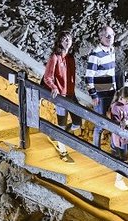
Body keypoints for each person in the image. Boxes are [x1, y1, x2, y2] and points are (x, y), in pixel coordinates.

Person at [42, 28, 81, 163]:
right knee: (62, 123)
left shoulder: (70, 58)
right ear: (59, 41)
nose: (67, 41)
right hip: (61, 96)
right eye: (65, 39)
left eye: (69, 39)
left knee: (77, 122)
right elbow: (48, 76)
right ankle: (63, 152)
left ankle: (59, 136)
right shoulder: (55, 57)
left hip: (71, 94)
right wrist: (54, 87)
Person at [85, 25, 120, 149]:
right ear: (100, 37)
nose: (110, 38)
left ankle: (114, 148)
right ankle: (96, 149)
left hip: (112, 93)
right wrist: (93, 94)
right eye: (107, 36)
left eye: (112, 35)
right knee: (100, 123)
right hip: (100, 94)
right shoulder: (95, 54)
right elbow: (89, 76)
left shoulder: (112, 51)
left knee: (113, 120)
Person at [108, 84, 128, 190]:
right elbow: (114, 122)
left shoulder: (127, 105)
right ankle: (119, 180)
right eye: (127, 100)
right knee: (123, 159)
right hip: (120, 138)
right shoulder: (115, 107)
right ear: (121, 98)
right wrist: (120, 122)